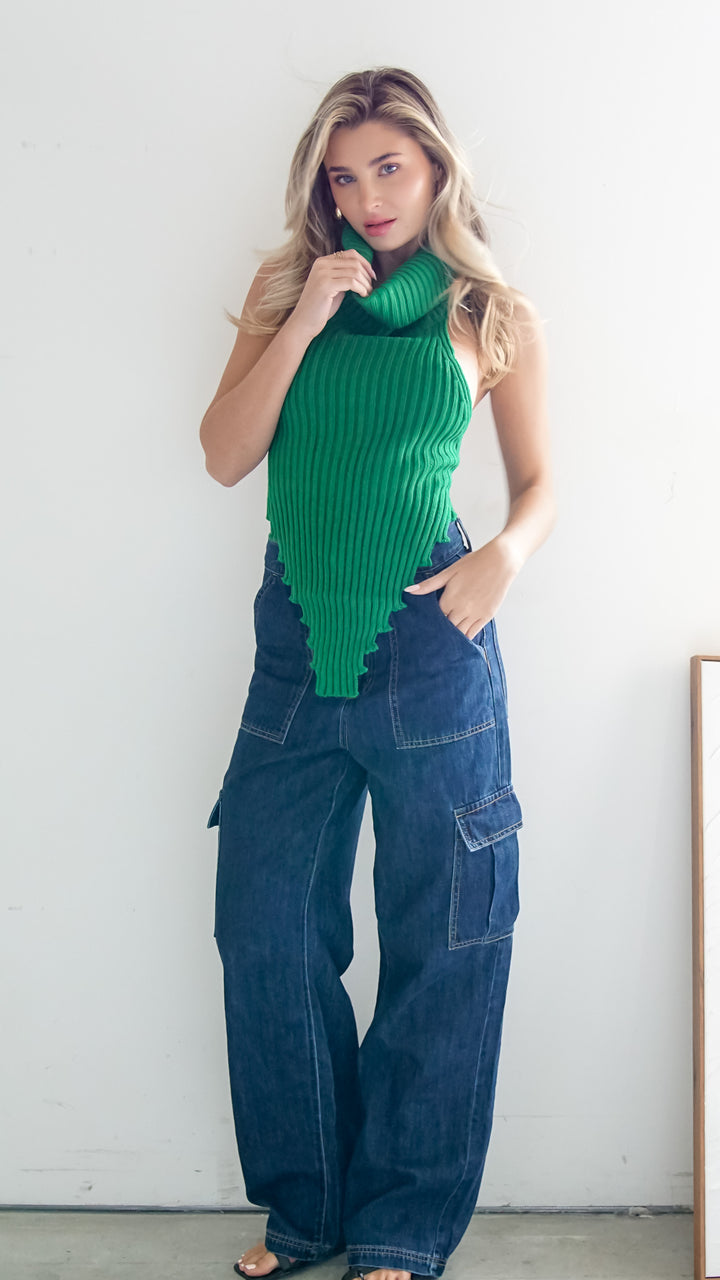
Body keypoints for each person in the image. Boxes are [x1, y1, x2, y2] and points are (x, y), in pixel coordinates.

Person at [200, 66, 555, 1280]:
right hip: (295, 649)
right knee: (265, 927)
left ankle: (400, 1229)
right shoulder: (283, 289)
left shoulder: (486, 307)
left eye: (388, 169)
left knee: (443, 937)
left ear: (437, 166)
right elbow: (224, 454)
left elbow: (542, 481)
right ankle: (307, 1213)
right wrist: (305, 317)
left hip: (431, 639)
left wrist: (504, 555)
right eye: (344, 178)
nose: (366, 198)